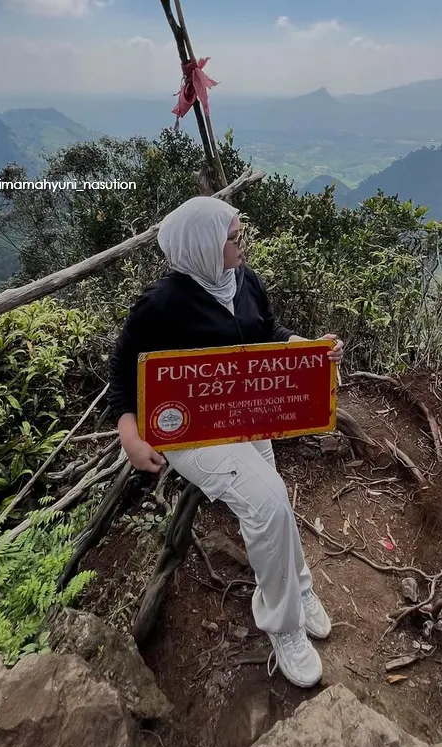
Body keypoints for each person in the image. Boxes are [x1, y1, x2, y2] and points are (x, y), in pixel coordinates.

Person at [109, 195, 344, 688]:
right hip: (189, 430)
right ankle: (284, 627)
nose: (241, 244)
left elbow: (268, 332)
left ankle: (299, 589)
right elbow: (124, 370)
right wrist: (129, 433)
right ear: (201, 246)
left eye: (239, 234)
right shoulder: (163, 302)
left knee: (272, 502)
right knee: (270, 500)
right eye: (233, 237)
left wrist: (308, 348)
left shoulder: (244, 281)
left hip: (244, 415)